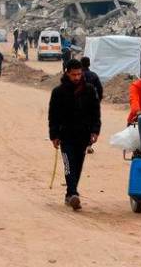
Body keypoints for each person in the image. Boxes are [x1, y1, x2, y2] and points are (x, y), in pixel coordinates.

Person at [48, 59, 101, 211]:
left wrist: (95, 131)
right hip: (65, 136)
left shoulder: (89, 90)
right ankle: (73, 193)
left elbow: (95, 113)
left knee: (77, 165)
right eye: (74, 75)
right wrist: (54, 135)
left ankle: (69, 195)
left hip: (83, 136)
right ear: (67, 73)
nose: (77, 77)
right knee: (68, 165)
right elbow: (53, 115)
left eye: (79, 74)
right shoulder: (58, 92)